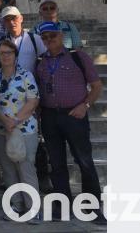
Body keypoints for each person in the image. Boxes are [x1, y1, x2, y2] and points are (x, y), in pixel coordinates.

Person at [34, 22, 106, 224]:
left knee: (84, 161)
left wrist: (86, 105)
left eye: (52, 36)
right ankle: (62, 206)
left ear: (61, 36)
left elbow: (97, 85)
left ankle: (92, 208)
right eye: (45, 37)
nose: (49, 40)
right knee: (56, 163)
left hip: (75, 115)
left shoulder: (78, 56)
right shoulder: (41, 61)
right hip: (49, 116)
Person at [0, 40, 42, 224]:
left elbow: (33, 100)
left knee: (26, 168)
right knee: (8, 170)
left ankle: (33, 208)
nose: (5, 56)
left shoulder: (26, 75)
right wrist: (5, 121)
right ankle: (16, 204)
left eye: (9, 52)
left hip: (25, 129)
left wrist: (14, 120)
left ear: (15, 54)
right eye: (2, 53)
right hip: (2, 131)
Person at [0, 6, 46, 72]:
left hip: (30, 81)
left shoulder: (35, 39)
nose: (11, 22)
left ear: (21, 18)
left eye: (14, 18)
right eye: (7, 20)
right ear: (3, 23)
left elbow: (45, 61)